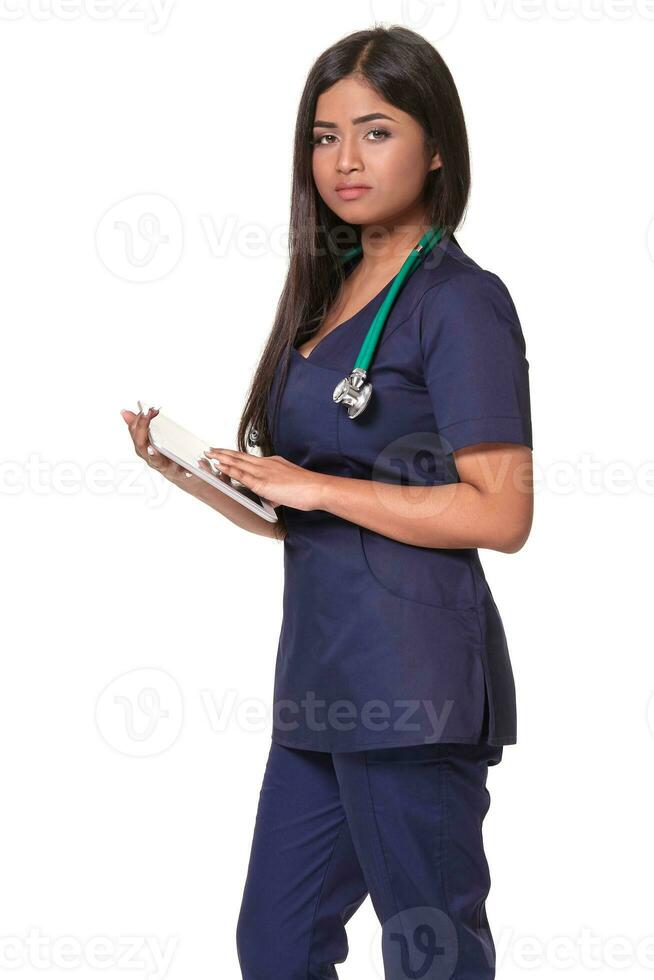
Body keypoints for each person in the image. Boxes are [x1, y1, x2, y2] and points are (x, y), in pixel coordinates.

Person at [122, 24, 534, 980]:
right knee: (276, 943)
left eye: (376, 131)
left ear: (437, 148)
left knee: (431, 953)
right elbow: (309, 516)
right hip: (320, 684)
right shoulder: (330, 293)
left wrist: (312, 483)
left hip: (413, 685)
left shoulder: (460, 301)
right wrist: (208, 482)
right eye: (323, 135)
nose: (344, 159)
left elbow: (502, 514)